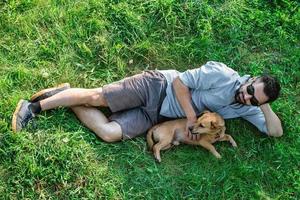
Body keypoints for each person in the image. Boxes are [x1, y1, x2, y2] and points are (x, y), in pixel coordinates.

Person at [12, 61, 283, 142]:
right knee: (97, 97)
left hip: (157, 117)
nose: (245, 97)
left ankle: (65, 95)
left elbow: (275, 131)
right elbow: (180, 83)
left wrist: (262, 104)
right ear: (250, 79)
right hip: (158, 86)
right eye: (250, 90)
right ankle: (32, 107)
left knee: (109, 133)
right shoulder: (223, 75)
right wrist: (190, 118)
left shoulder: (245, 107)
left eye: (252, 100)